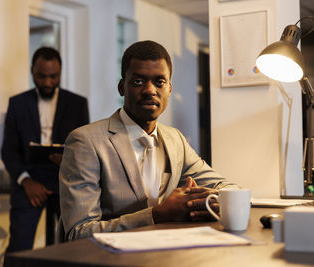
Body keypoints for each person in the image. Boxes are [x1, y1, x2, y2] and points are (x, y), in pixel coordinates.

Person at [59, 40, 237, 240]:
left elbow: (226, 187)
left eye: (159, 82)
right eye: (138, 81)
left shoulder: (174, 139)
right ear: (121, 87)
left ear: (169, 88)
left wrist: (212, 202)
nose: (150, 90)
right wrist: (157, 214)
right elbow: (78, 233)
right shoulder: (85, 142)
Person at [1, 47, 89, 253]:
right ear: (32, 71)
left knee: (76, 246)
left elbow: (85, 148)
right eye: (41, 76)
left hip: (65, 181)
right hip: (28, 180)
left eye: (53, 76)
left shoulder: (77, 104)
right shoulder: (17, 103)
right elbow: (8, 151)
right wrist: (26, 181)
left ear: (60, 72)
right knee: (19, 247)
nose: (47, 82)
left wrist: (69, 160)